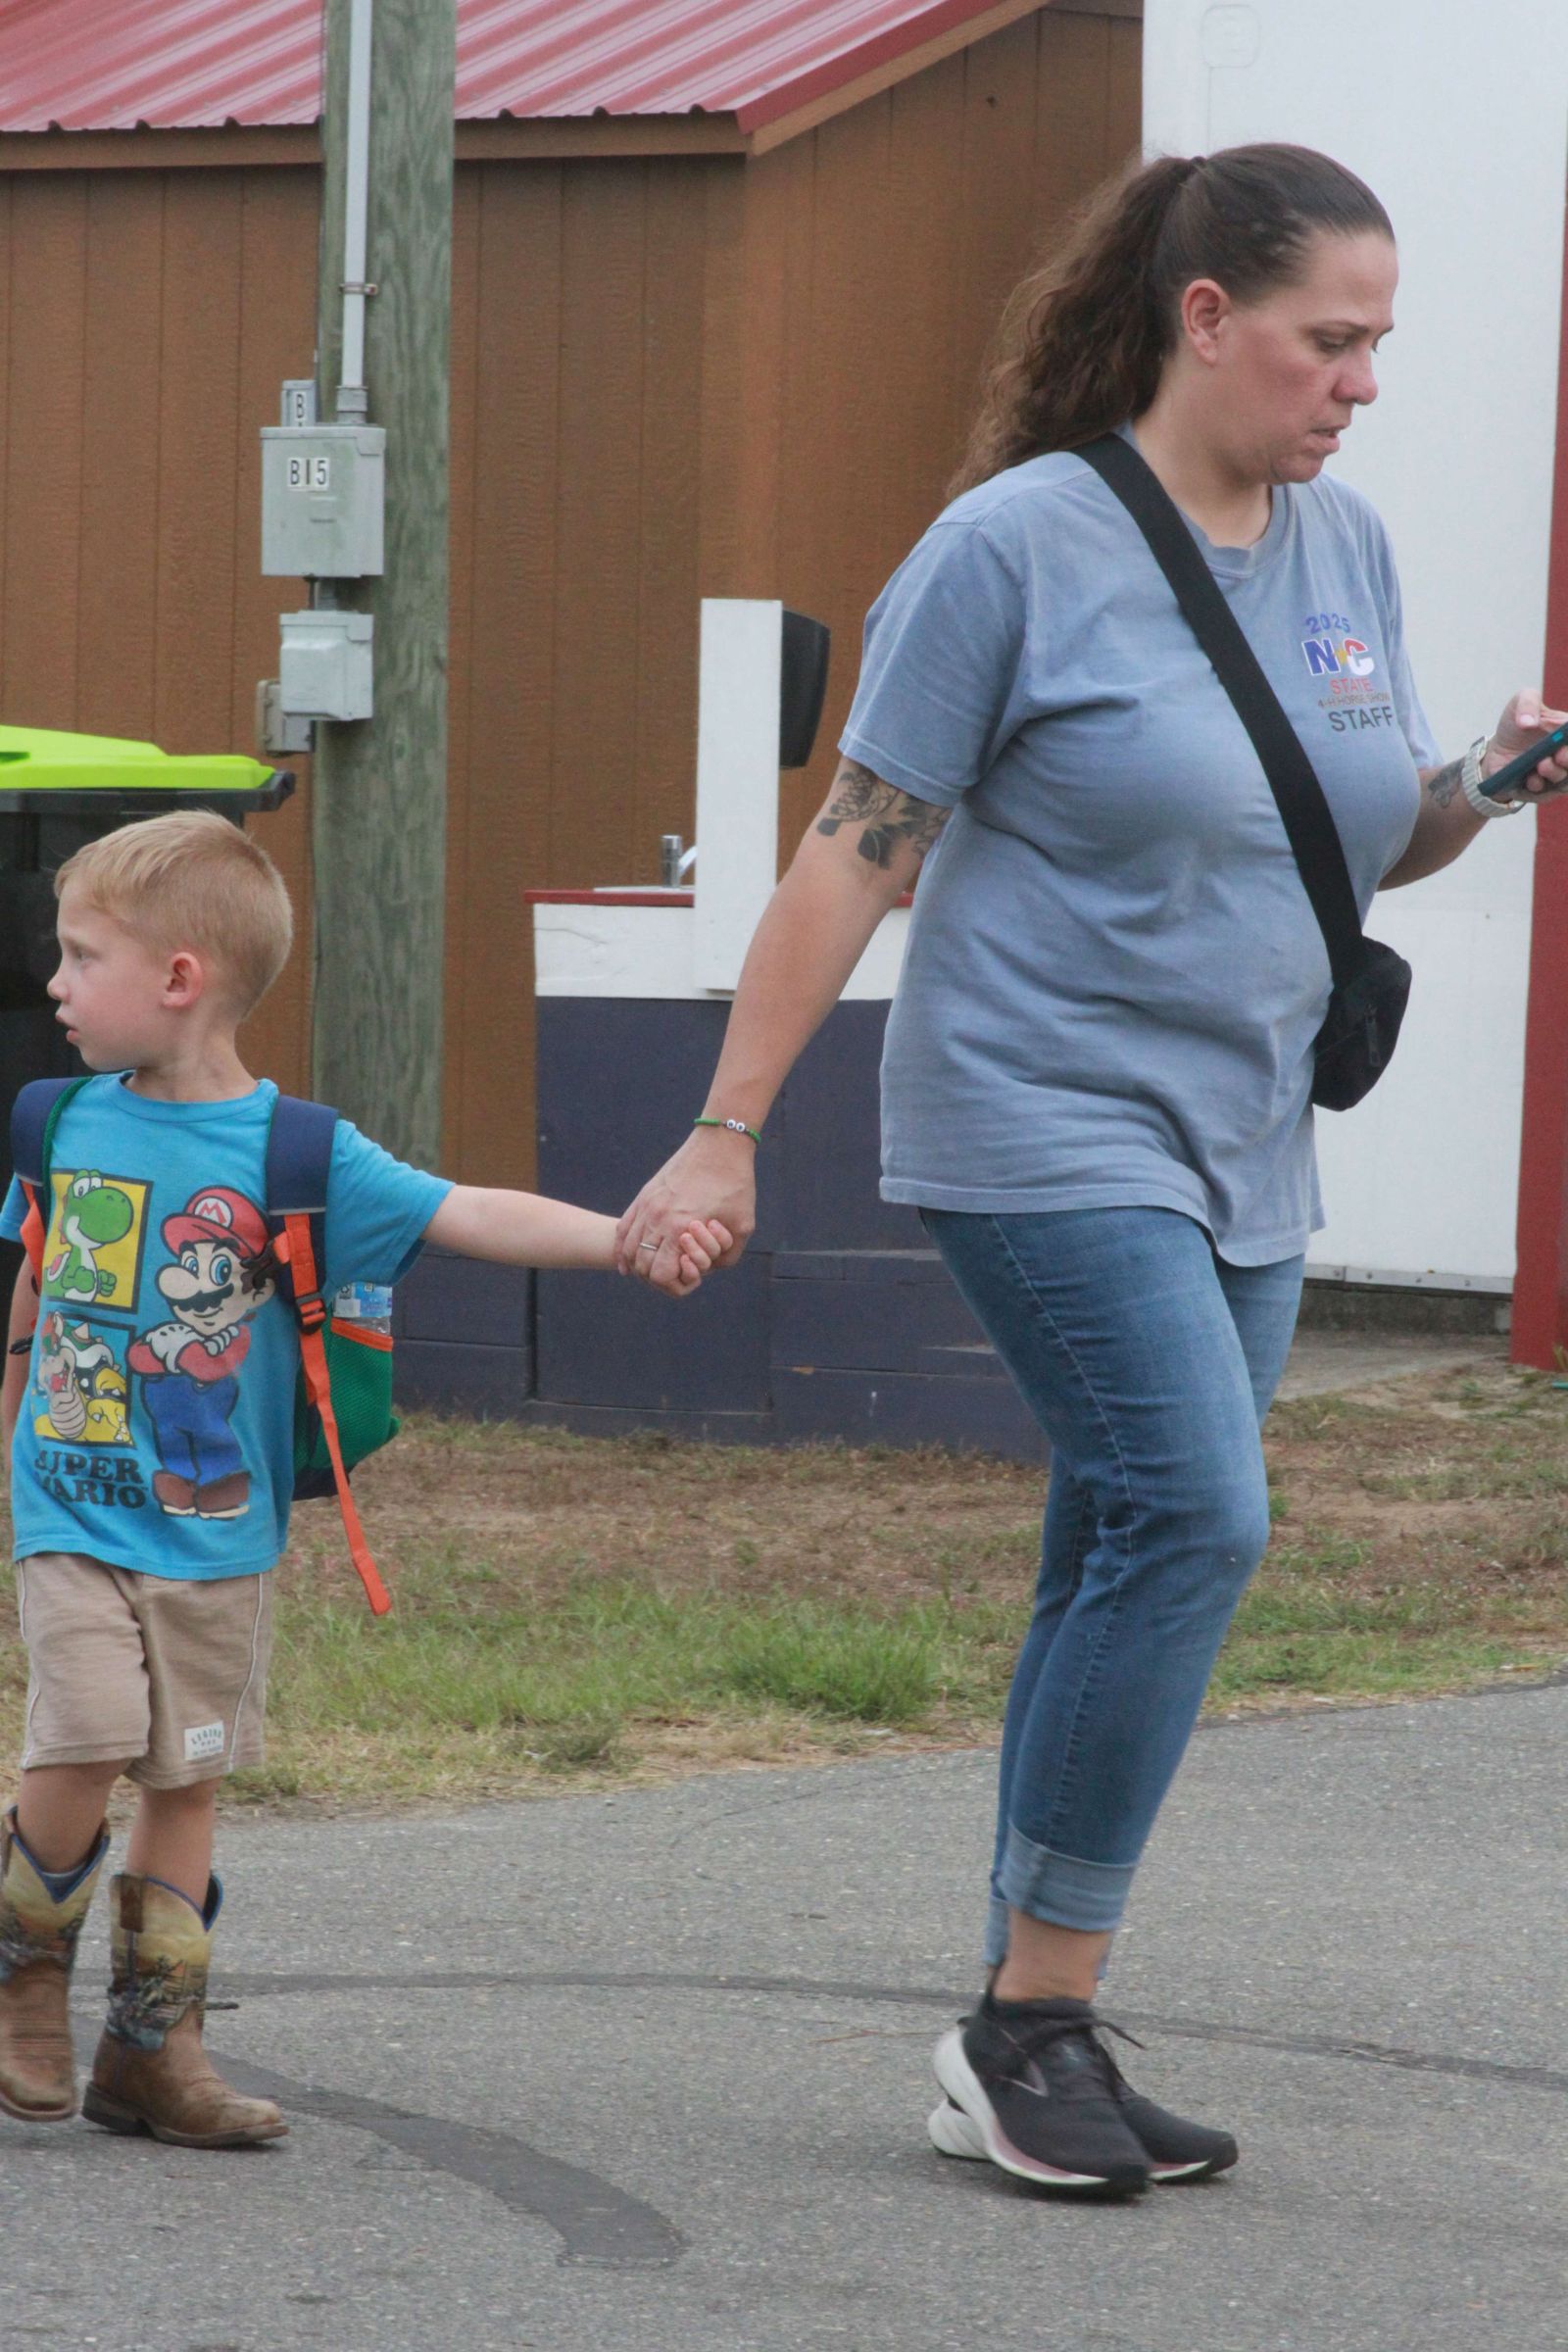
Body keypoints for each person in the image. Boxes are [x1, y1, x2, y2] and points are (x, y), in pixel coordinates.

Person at [615, 143, 1568, 2195]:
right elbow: (854, 848)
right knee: (1195, 1516)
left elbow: (1353, 832)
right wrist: (721, 1132)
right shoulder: (1010, 548)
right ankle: (1029, 2016)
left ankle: (1019, 2029)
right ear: (1201, 319)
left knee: (1111, 1548)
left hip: (1242, 1139)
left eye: (1377, 344)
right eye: (1330, 339)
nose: (1361, 382)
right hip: (1035, 1121)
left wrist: (1476, 787)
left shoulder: (1345, 552)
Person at [0, 810, 726, 2149]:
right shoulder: (56, 1123)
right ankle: (23, 1970)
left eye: (79, 954)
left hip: (217, 1533)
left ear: (179, 979)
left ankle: (154, 2053)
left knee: (185, 1778)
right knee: (89, 1730)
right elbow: (41, 1286)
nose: (53, 981)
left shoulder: (301, 1154)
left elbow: (469, 1209)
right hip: (70, 1512)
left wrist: (628, 1242)